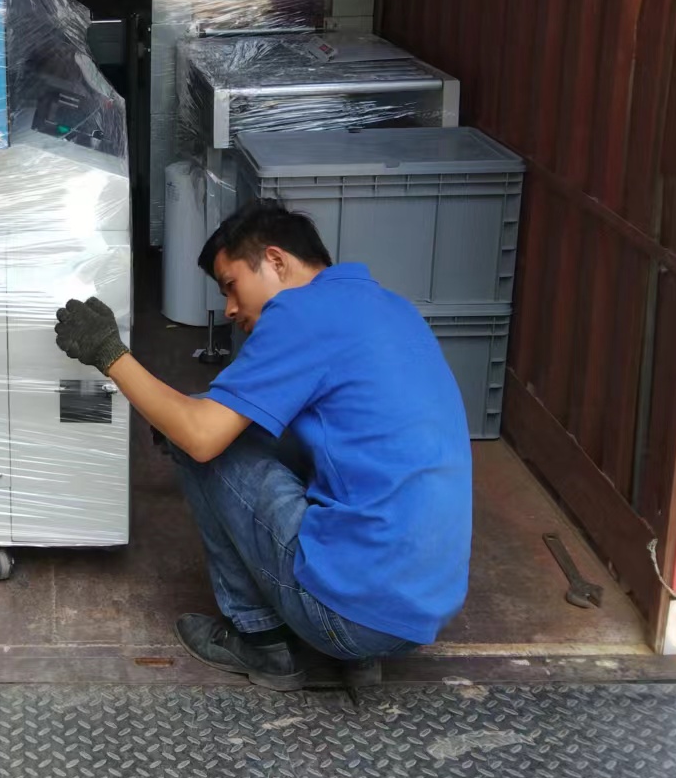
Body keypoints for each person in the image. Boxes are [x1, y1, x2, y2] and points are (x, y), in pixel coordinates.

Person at [54, 200, 471, 690]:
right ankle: (356, 647)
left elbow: (201, 436)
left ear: (275, 260)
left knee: (195, 437)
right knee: (245, 425)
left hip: (350, 613)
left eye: (231, 285)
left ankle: (262, 641)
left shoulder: (301, 313)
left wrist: (110, 354)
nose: (230, 309)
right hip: (422, 609)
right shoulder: (390, 307)